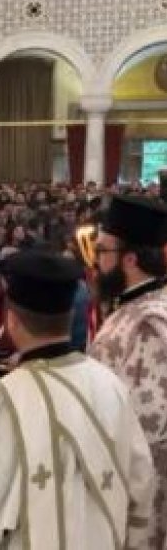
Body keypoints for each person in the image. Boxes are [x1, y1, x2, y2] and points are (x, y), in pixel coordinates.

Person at [0, 250, 155, 549]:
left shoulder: (8, 400)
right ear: (70, 318)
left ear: (12, 320)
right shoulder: (110, 383)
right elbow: (141, 480)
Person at [89, 195, 167, 549]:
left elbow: (147, 426)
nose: (96, 260)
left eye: (103, 252)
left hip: (140, 496)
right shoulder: (132, 309)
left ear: (130, 260)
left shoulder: (150, 324)